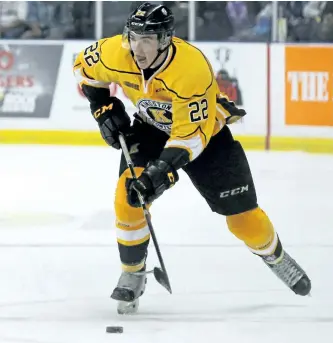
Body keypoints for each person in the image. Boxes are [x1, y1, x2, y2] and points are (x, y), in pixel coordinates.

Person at [73, 2, 311, 315]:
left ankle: (275, 256)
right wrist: (102, 108)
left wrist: (161, 173)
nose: (137, 48)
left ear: (164, 40)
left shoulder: (190, 68)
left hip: (206, 136)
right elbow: (83, 69)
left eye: (147, 40)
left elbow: (190, 138)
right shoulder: (115, 52)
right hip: (150, 127)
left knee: (244, 220)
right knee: (128, 196)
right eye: (133, 37)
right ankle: (132, 272)